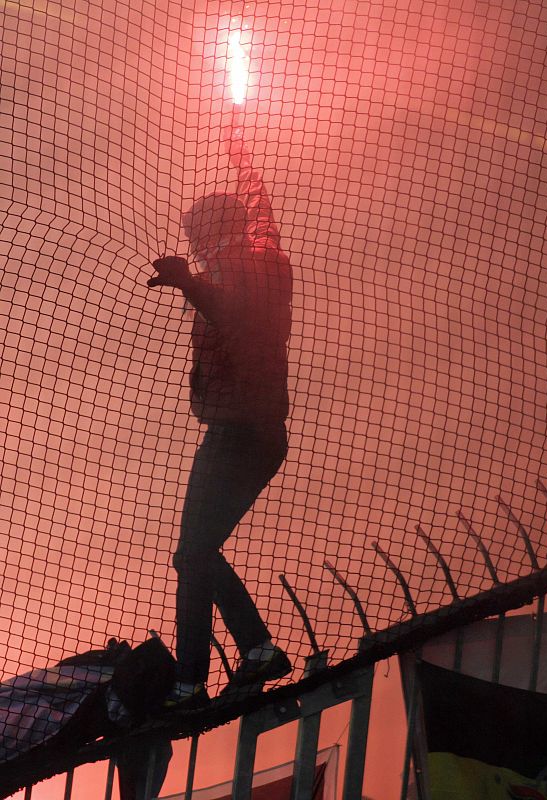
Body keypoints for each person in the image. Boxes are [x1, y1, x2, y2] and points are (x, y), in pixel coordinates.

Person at [147, 129, 293, 704]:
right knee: (198, 552)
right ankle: (248, 653)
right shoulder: (265, 250)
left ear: (208, 233)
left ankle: (194, 681)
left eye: (194, 236)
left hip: (234, 431)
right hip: (261, 432)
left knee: (193, 553)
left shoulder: (234, 265)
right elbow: (262, 209)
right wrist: (243, 160)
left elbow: (230, 311)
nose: (194, 244)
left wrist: (188, 281)